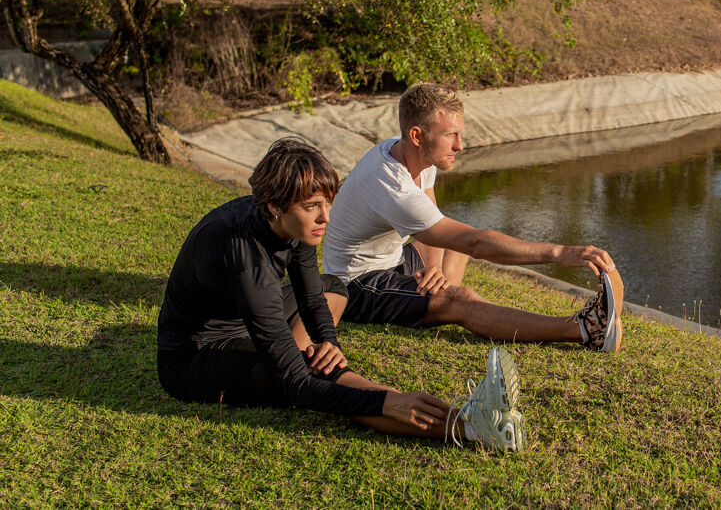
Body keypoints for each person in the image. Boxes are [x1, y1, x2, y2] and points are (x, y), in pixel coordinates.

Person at [156, 137, 524, 451]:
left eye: (327, 203)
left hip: (246, 320)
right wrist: (384, 402)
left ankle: (312, 357)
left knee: (332, 288)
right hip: (197, 358)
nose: (325, 218)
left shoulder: (291, 225)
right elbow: (298, 386)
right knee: (312, 376)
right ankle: (473, 427)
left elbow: (313, 297)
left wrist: (328, 341)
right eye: (312, 207)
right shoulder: (245, 257)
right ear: (274, 206)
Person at [322, 83, 624, 353]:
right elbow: (477, 244)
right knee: (462, 289)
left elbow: (433, 216)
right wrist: (562, 253)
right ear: (417, 135)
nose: (460, 145)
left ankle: (438, 304)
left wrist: (433, 266)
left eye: (460, 133)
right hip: (356, 285)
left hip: (392, 261)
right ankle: (583, 330)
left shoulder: (413, 152)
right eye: (451, 135)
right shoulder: (392, 185)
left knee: (454, 246)